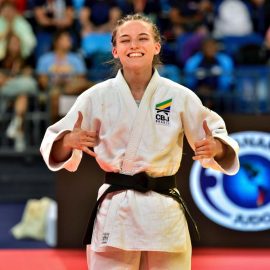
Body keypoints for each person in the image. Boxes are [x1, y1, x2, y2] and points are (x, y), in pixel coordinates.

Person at [40, 14, 239, 270]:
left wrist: (217, 147)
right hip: (116, 210)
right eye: (125, 40)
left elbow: (214, 133)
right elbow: (55, 142)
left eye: (142, 38)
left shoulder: (178, 96)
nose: (134, 45)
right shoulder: (96, 97)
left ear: (156, 46)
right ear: (115, 50)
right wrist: (68, 140)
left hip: (163, 209)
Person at [36, 30, 90, 122]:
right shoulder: (44, 59)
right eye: (66, 39)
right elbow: (43, 81)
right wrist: (58, 82)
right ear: (56, 42)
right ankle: (55, 131)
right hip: (53, 90)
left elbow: (82, 80)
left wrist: (67, 83)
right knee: (55, 98)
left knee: (87, 86)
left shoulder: (76, 59)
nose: (70, 41)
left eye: (69, 39)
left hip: (73, 91)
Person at [0, 33, 37, 152]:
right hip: (4, 95)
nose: (15, 45)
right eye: (13, 43)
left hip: (14, 94)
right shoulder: (2, 61)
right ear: (8, 45)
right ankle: (18, 133)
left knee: (24, 92)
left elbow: (30, 77)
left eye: (17, 43)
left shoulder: (26, 60)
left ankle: (16, 127)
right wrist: (17, 79)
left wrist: (9, 80)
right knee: (27, 85)